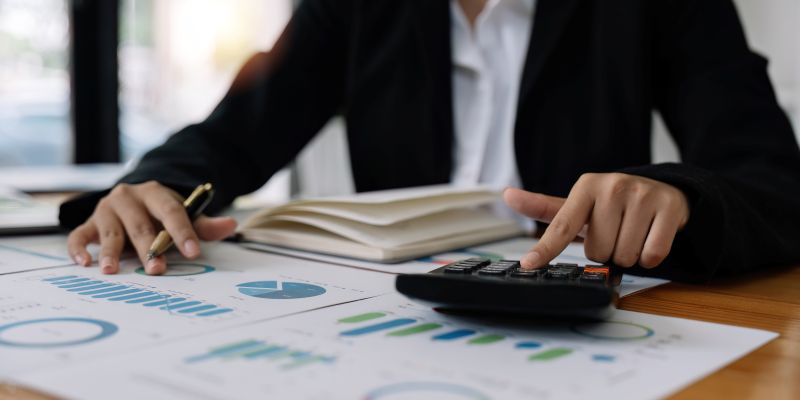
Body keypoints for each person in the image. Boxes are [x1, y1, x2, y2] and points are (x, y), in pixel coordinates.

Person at [61, 0, 800, 282]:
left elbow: (772, 176)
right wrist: (155, 184)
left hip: (590, 312)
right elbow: (229, 137)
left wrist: (676, 193)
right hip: (398, 313)